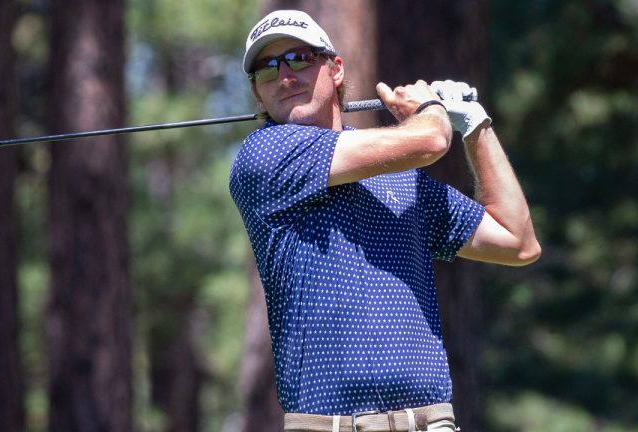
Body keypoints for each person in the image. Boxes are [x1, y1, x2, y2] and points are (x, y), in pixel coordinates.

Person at [229, 9, 541, 432]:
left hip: (429, 423)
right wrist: (430, 109)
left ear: (335, 68)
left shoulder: (400, 178)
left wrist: (476, 127)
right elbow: (430, 139)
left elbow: (517, 241)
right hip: (327, 425)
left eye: (299, 58)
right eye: (267, 68)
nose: (284, 75)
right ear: (257, 94)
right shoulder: (263, 157)